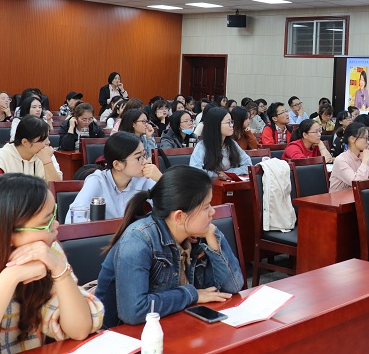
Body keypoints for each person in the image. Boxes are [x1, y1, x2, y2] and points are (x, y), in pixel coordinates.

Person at [95, 165, 244, 327]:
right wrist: (191, 295)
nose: (212, 212)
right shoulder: (138, 240)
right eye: (206, 207)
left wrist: (214, 242)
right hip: (124, 334)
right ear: (179, 216)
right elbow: (134, 311)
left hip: (174, 325)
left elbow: (233, 286)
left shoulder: (197, 235)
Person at [0, 173, 104, 352]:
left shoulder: (47, 251)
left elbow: (80, 330)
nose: (56, 225)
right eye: (46, 221)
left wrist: (59, 268)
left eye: (53, 214)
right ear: (7, 233)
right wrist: (10, 277)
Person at [66, 132, 161, 223]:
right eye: (139, 157)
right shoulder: (97, 181)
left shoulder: (143, 179)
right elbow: (74, 217)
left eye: (144, 155)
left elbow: (167, 207)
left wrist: (160, 179)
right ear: (117, 165)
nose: (145, 161)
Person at [189, 107, 252, 181]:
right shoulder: (202, 146)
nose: (232, 125)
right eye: (228, 122)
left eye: (232, 122)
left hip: (229, 184)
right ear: (216, 125)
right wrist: (216, 175)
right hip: (209, 185)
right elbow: (195, 171)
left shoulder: (232, 144)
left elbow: (248, 165)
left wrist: (228, 173)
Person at [0, 116, 63, 181]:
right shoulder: (2, 157)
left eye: (48, 137)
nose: (48, 142)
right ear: (25, 142)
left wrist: (47, 161)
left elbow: (56, 185)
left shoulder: (46, 153)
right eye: (43, 139)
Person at [329, 123, 369, 191]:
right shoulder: (341, 160)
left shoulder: (361, 156)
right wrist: (364, 161)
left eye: (368, 138)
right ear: (352, 139)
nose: (368, 142)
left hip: (358, 196)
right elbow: (357, 183)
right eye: (365, 138)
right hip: (340, 197)